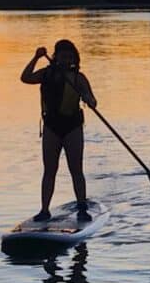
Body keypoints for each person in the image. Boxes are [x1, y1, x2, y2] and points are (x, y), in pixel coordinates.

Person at [21, 39, 97, 223]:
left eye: (70, 56)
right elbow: (25, 77)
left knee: (76, 170)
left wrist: (87, 98)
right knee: (49, 170)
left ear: (74, 58)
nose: (66, 60)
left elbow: (93, 101)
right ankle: (44, 210)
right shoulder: (46, 74)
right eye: (63, 56)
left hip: (72, 127)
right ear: (56, 57)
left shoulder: (78, 78)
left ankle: (82, 208)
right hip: (51, 127)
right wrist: (36, 57)